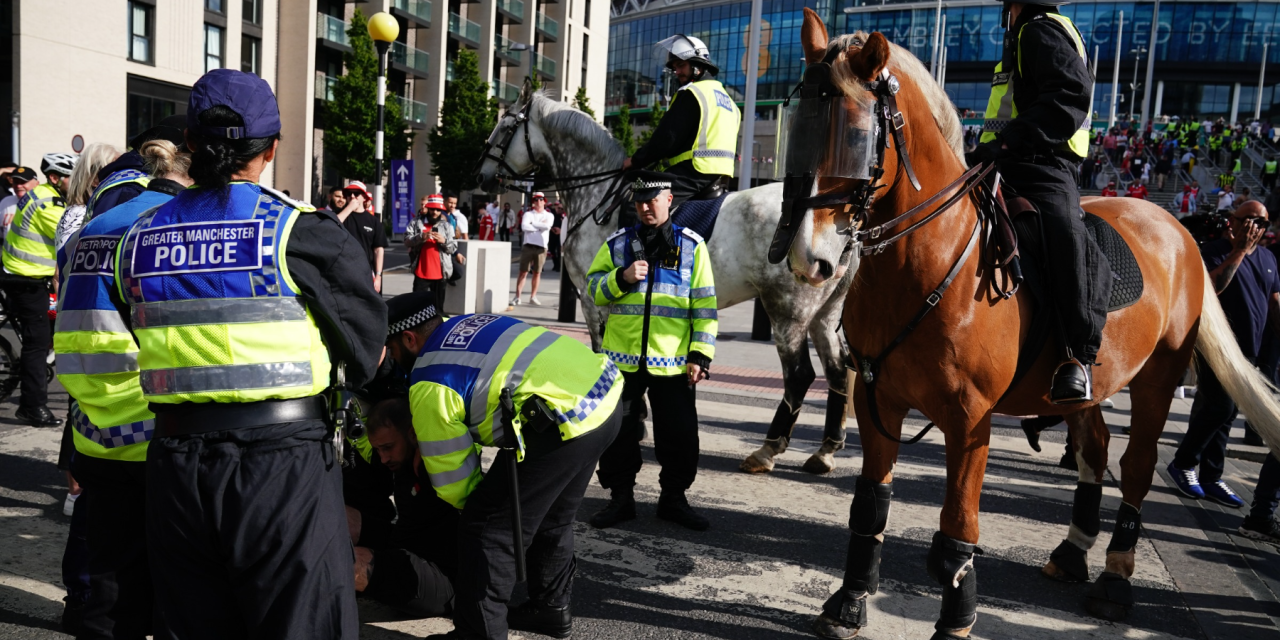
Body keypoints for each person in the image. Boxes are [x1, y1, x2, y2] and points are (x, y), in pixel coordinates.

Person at [111, 69, 385, 639]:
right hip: (282, 466)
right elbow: (364, 353)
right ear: (273, 146)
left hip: (174, 468)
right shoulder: (301, 232)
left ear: (189, 143)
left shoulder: (137, 239)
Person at [381, 291, 623, 640]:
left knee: (488, 529)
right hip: (602, 397)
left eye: (390, 348)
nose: (390, 357)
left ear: (408, 338)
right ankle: (550, 609)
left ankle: (477, 634)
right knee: (553, 515)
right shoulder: (468, 322)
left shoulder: (430, 378)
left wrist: (481, 515)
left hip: (559, 423)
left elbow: (454, 478)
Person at [54, 137, 194, 640]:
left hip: (97, 431)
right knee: (172, 582)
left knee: (107, 588)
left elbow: (72, 328)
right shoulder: (175, 227)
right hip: (162, 432)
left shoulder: (97, 225)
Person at [971, 0, 1105, 403]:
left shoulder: (1039, 30)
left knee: (1065, 237)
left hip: (1043, 165)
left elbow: (1070, 92)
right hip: (1002, 160)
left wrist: (1014, 138)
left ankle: (1076, 357)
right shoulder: (1024, 35)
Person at [585, 170, 718, 531]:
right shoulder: (618, 243)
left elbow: (704, 306)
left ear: (669, 199)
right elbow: (593, 289)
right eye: (640, 200)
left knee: (679, 434)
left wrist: (700, 354)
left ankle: (674, 499)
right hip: (622, 362)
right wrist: (621, 278)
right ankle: (620, 499)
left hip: (673, 362)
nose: (646, 206)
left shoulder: (692, 246)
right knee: (619, 434)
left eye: (653, 199)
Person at [1168, 200, 1278, 510]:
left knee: (1228, 415)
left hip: (1248, 351)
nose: (1256, 227)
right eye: (1249, 220)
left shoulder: (1269, 258)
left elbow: (1274, 303)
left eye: (1263, 223)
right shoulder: (1212, 250)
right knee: (1220, 406)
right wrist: (1239, 251)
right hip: (1215, 347)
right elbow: (1209, 289)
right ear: (1232, 221)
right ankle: (1183, 463)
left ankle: (1211, 476)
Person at [347, 397, 459, 618]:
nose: (383, 458)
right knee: (338, 516)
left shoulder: (440, 464)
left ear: (413, 434)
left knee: (348, 561)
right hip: (405, 549)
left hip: (443, 579)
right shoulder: (401, 462)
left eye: (388, 448)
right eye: (378, 449)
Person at [2, 152, 76, 426]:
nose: (75, 181)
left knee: (42, 335)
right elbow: (73, 235)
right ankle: (32, 407)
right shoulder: (48, 203)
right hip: (25, 279)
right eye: (71, 176)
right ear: (55, 178)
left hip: (27, 276)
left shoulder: (47, 195)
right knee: (37, 343)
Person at [621, 35, 740, 205]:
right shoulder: (730, 102)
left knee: (637, 204)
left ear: (698, 66)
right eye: (675, 67)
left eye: (681, 65)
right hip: (722, 175)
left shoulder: (693, 93)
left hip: (693, 172)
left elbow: (666, 139)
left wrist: (635, 160)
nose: (677, 72)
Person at [55, 143, 119, 252]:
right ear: (94, 179)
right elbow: (65, 263)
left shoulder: (83, 211)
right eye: (116, 171)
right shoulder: (79, 214)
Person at [336, 181, 389, 293]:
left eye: (356, 193)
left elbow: (378, 250)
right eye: (349, 194)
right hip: (343, 269)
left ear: (364, 197)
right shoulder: (341, 215)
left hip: (366, 271)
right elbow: (331, 226)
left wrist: (378, 276)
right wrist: (349, 209)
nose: (352, 196)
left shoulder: (373, 221)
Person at [406, 194, 457, 307]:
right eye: (432, 209)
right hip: (421, 273)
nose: (435, 212)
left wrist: (444, 241)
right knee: (417, 308)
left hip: (440, 274)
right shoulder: (416, 222)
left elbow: (453, 247)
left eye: (438, 210)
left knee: (438, 309)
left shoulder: (447, 226)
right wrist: (421, 237)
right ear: (427, 208)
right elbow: (406, 241)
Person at [512, 192, 553, 306]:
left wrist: (533, 224)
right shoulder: (528, 214)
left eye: (540, 199)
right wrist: (539, 226)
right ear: (533, 202)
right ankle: (517, 296)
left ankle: (533, 296)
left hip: (541, 246)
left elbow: (547, 226)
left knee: (537, 272)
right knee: (523, 272)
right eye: (536, 199)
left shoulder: (549, 215)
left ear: (544, 201)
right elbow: (524, 227)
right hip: (529, 245)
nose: (538, 202)